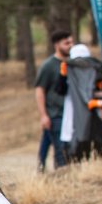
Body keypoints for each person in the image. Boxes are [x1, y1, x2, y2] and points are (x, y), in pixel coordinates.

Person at [34, 30, 74, 172]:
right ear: (57, 45)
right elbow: (40, 91)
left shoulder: (72, 62)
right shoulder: (49, 66)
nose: (70, 45)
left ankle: (41, 167)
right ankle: (60, 174)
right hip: (55, 114)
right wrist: (43, 115)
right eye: (66, 43)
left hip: (69, 113)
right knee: (60, 149)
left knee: (50, 142)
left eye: (71, 42)